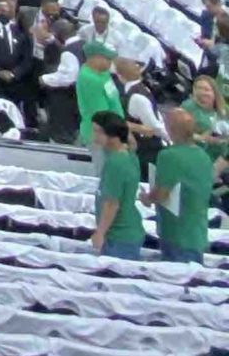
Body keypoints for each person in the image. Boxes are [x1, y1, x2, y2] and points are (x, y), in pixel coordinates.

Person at [150, 106, 216, 263]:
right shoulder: (204, 157)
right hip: (196, 233)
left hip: (175, 233)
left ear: (170, 128)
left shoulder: (168, 156)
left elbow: (162, 194)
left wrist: (147, 198)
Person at [88, 109, 144, 258]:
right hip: (127, 232)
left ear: (111, 134)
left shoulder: (116, 163)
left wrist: (100, 232)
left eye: (97, 132)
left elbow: (112, 203)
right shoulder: (128, 156)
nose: (94, 136)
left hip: (119, 236)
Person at [75, 41, 125, 146]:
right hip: (99, 137)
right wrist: (136, 128)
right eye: (107, 59)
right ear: (95, 58)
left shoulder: (103, 72)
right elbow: (103, 117)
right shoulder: (90, 80)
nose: (110, 62)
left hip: (115, 130)